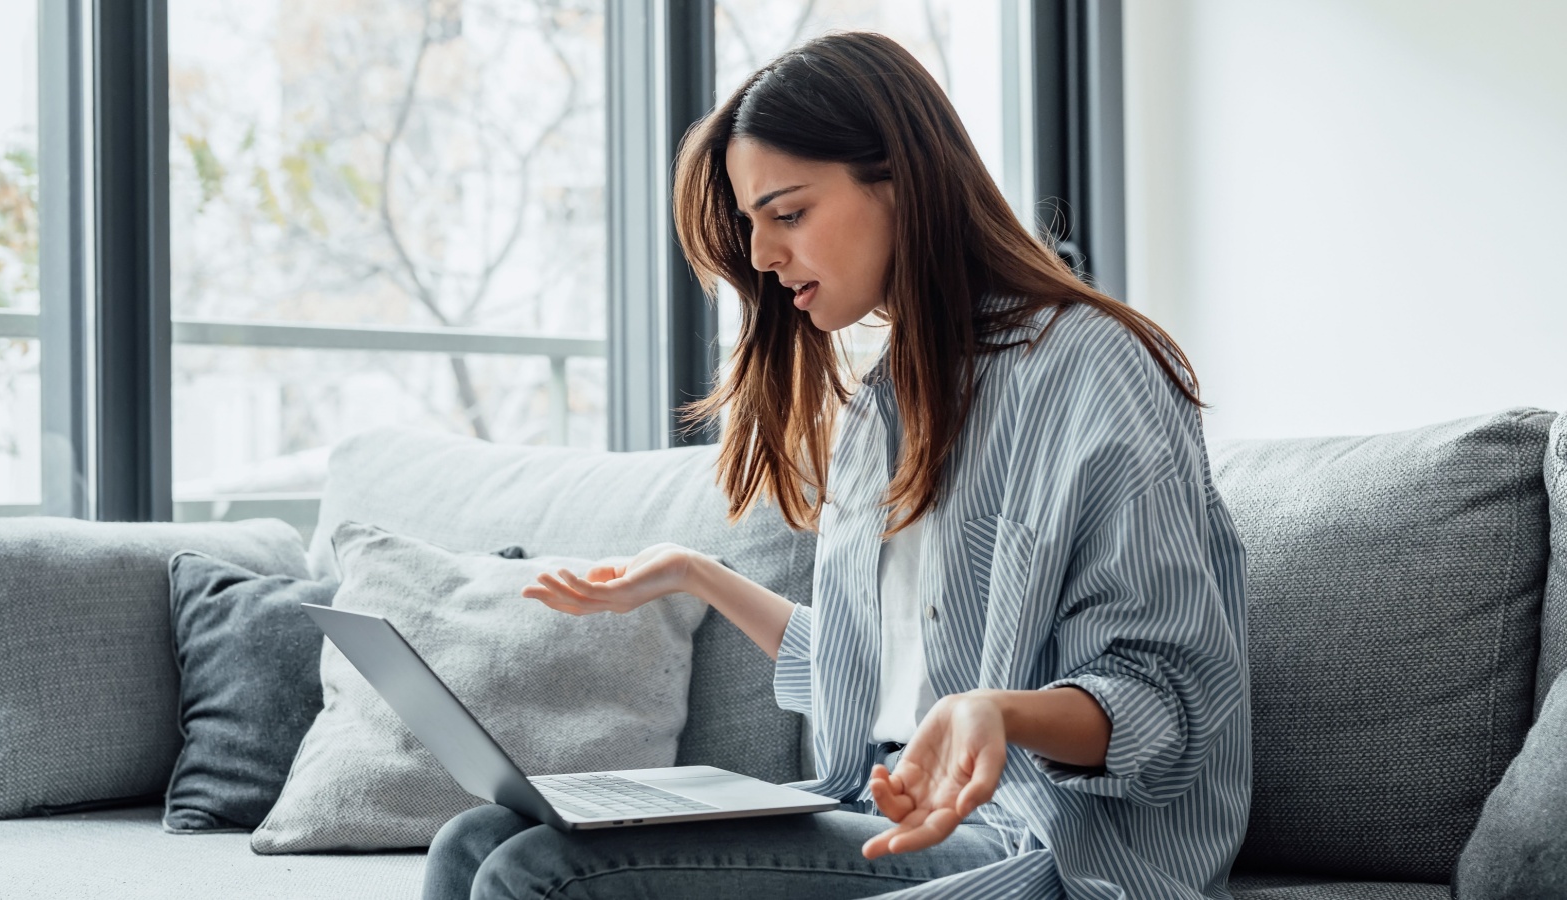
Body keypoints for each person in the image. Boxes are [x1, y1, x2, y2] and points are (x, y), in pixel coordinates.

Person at [423, 30, 1250, 900]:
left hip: (1045, 845)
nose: (762, 257)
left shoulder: (1092, 369)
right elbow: (888, 675)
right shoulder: (886, 407)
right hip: (881, 813)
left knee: (535, 873)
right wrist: (701, 577)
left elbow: (1170, 704)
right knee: (473, 840)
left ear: (902, 181)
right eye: (752, 227)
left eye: (787, 214)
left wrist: (997, 713)